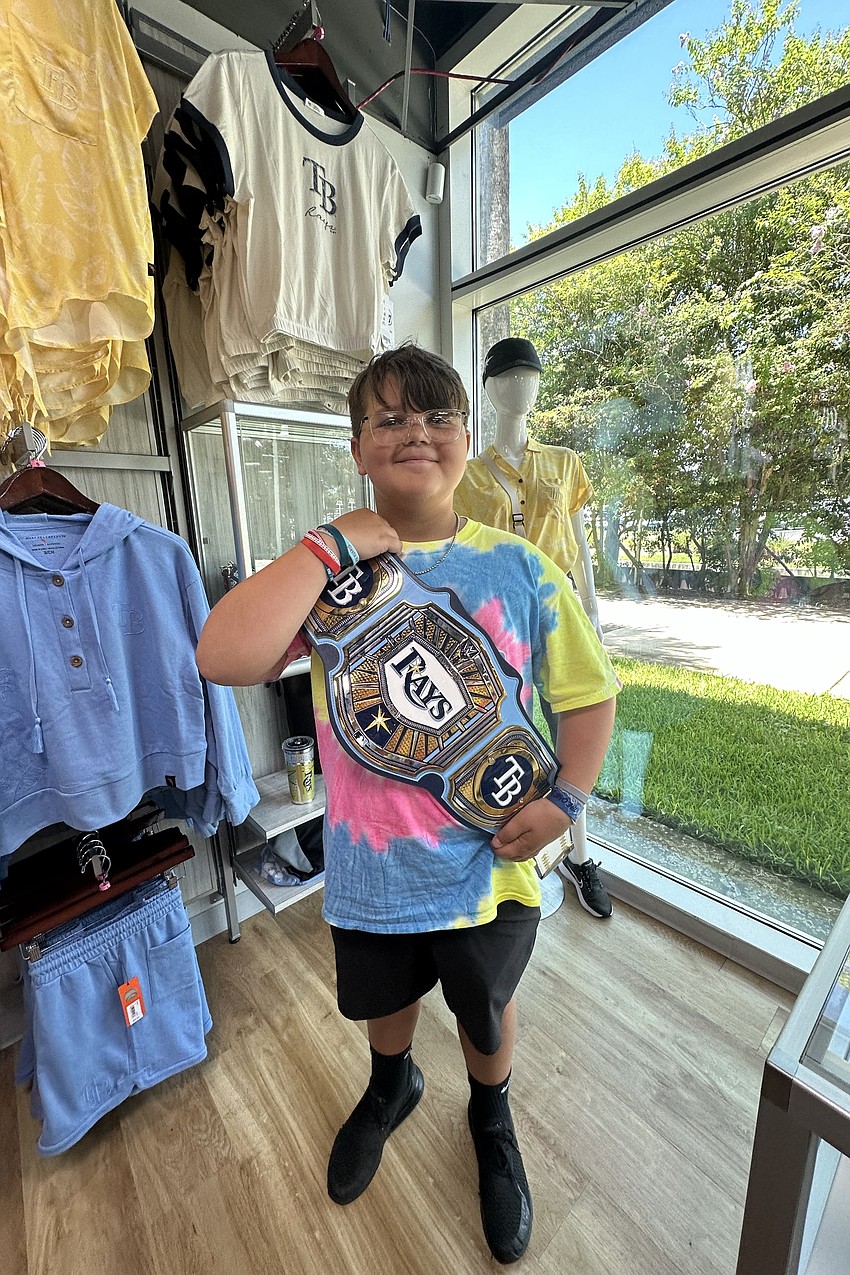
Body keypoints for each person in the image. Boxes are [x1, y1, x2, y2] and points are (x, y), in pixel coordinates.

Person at [196, 344, 618, 1265]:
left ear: (467, 439)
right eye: (390, 417)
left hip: (488, 865)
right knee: (381, 1000)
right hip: (369, 869)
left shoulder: (519, 566)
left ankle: (492, 1116)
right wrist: (330, 544)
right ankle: (392, 1083)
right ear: (357, 447)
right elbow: (221, 654)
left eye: (437, 416)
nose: (416, 432)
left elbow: (590, 697)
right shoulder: (327, 575)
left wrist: (568, 799)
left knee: (484, 1007)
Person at [455, 337, 614, 920]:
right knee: (505, 736)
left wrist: (593, 616)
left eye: (530, 375)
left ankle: (580, 852)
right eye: (508, 376)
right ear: (490, 389)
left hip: (560, 612)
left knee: (572, 733)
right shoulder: (467, 475)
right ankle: (508, 850)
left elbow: (582, 545)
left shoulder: (564, 464)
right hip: (496, 623)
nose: (521, 386)